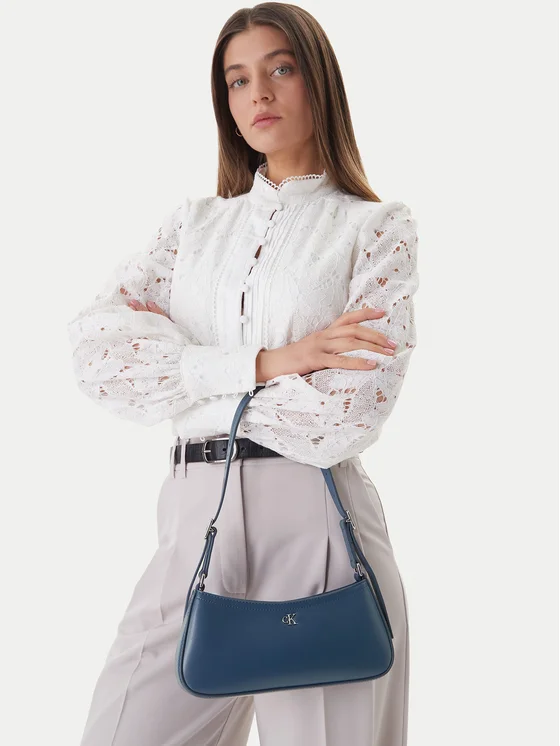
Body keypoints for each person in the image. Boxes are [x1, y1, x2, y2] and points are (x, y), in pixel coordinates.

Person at [67, 4, 420, 745]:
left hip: (320, 527)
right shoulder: (191, 228)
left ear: (317, 80)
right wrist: (270, 364)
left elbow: (346, 415)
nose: (257, 92)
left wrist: (189, 385)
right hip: (193, 522)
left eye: (279, 69)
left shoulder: (374, 227)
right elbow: (99, 357)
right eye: (237, 80)